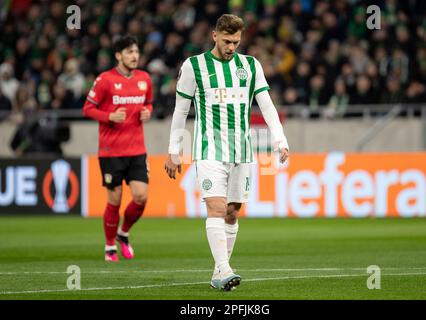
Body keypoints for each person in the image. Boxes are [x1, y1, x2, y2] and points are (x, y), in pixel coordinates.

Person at [164, 14, 289, 291]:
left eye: (236, 42)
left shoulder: (250, 65)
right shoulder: (194, 66)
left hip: (242, 150)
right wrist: (174, 150)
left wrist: (280, 139)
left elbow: (266, 105)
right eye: (227, 41)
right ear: (215, 35)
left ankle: (219, 270)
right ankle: (224, 269)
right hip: (209, 149)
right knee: (216, 208)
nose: (232, 47)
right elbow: (181, 110)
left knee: (232, 212)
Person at [82, 35, 153, 262]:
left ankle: (124, 233)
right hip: (111, 151)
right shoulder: (105, 80)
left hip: (137, 149)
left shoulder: (144, 79)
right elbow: (87, 108)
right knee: (115, 199)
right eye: (129, 52)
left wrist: (147, 112)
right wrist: (109, 116)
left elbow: (149, 102)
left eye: (136, 51)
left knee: (141, 197)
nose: (134, 56)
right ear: (118, 55)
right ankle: (110, 245)